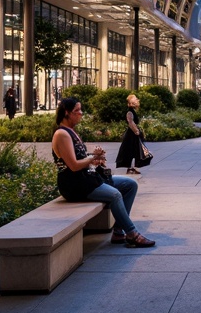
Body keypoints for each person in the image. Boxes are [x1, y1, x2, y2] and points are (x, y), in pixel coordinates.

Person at [52, 97, 154, 247]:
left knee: (130, 184)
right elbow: (73, 165)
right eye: (77, 110)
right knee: (115, 194)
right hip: (75, 184)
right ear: (67, 113)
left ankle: (119, 232)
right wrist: (93, 157)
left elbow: (80, 160)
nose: (81, 113)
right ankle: (132, 234)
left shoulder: (71, 132)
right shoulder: (62, 134)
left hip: (87, 179)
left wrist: (94, 158)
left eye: (81, 109)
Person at [116, 93, 146, 174]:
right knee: (132, 150)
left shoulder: (132, 111)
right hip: (132, 134)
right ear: (132, 102)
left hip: (133, 134)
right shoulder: (129, 112)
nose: (137, 100)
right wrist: (137, 131)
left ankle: (133, 167)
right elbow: (131, 122)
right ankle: (131, 167)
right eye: (135, 99)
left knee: (134, 150)